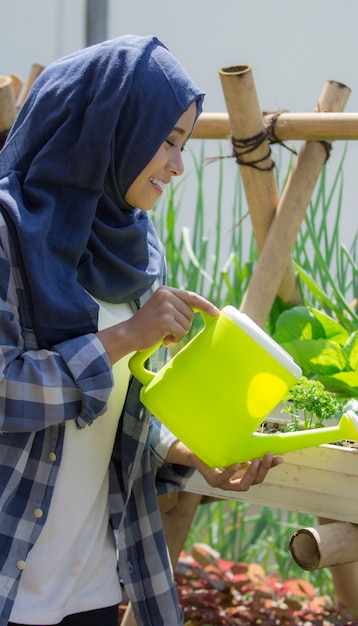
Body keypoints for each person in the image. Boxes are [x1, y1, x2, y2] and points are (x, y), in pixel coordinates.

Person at [0, 35, 282, 626]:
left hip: (96, 585)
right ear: (109, 128)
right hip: (12, 579)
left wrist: (189, 452)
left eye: (183, 143)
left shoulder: (135, 250)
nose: (178, 164)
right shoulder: (8, 233)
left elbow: (118, 415)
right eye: (168, 141)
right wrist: (126, 336)